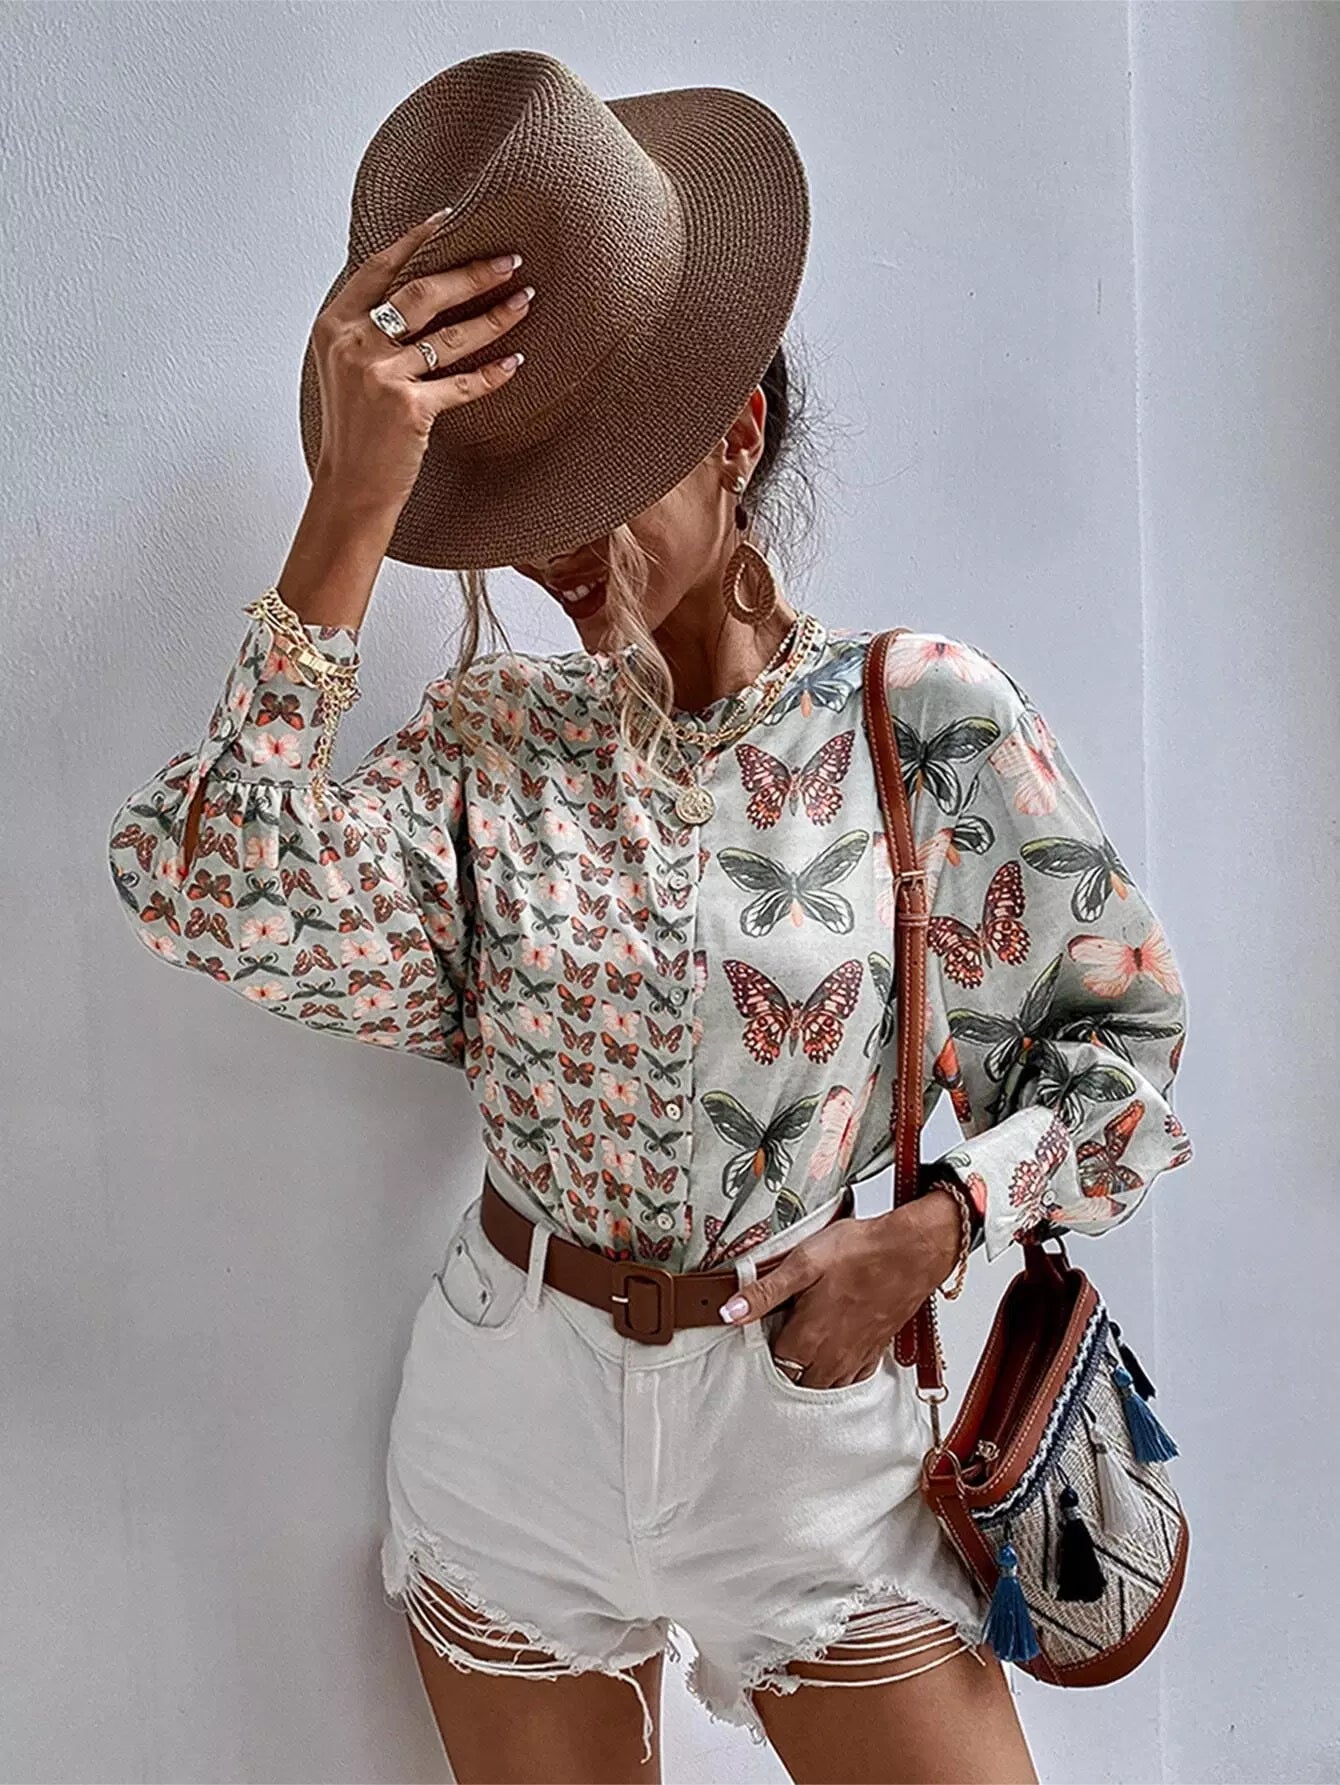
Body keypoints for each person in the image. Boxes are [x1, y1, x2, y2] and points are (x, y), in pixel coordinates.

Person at [106, 53, 1194, 1785]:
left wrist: (938, 1230)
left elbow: (1125, 1050)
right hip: (511, 1430)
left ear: (735, 433)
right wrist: (352, 505)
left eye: (595, 475)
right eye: (515, 495)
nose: (550, 548)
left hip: (815, 1446)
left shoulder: (918, 713)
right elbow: (203, 885)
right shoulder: (491, 743)